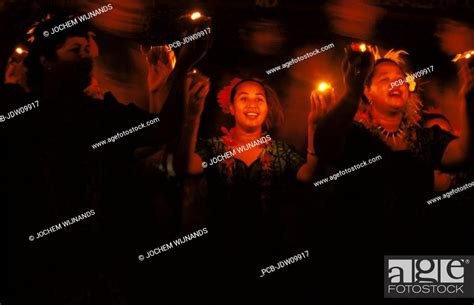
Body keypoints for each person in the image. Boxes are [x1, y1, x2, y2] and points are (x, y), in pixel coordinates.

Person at [3, 13, 206, 304]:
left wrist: (185, 64)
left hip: (88, 257)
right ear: (46, 61)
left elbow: (162, 129)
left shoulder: (98, 114)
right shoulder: (19, 112)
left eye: (87, 51)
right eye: (75, 51)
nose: (86, 58)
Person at [172, 75, 320, 299]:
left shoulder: (281, 151)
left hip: (273, 256)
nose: (252, 104)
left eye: (259, 99)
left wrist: (314, 126)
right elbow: (184, 167)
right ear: (230, 107)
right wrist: (193, 116)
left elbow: (309, 175)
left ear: (267, 108)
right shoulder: (213, 147)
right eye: (244, 98)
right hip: (219, 258)